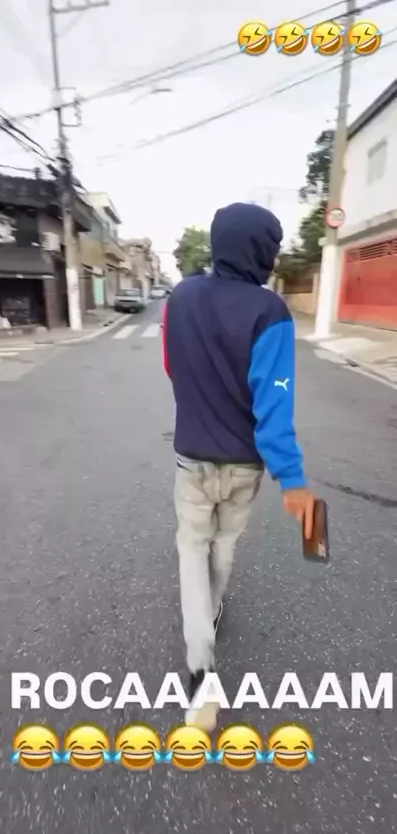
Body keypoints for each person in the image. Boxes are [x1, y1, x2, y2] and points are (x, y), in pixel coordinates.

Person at [162, 202, 315, 728]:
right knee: (223, 544)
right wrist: (292, 480)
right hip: (245, 463)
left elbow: (172, 366)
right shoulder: (270, 312)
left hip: (191, 454)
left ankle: (200, 668)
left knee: (191, 547)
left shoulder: (181, 297)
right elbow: (274, 406)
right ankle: (214, 607)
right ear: (262, 252)